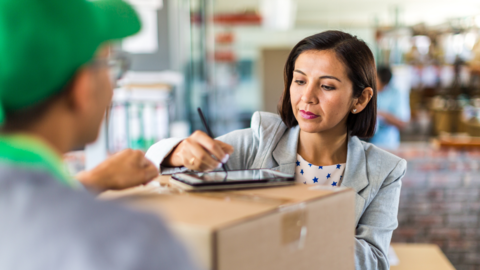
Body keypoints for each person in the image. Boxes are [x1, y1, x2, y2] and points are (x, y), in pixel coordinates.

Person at [147, 31, 407, 270]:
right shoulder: (258, 143)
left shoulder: (384, 170)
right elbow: (156, 165)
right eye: (300, 81)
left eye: (326, 86)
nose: (307, 96)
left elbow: (374, 260)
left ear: (360, 99)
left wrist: (287, 229)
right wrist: (179, 152)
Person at [0, 0, 198, 269]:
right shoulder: (129, 244)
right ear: (81, 88)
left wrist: (94, 180)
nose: (113, 82)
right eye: (109, 65)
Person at [369, 66, 410, 149]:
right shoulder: (370, 92)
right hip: (368, 143)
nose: (371, 81)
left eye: (375, 79)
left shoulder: (397, 94)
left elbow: (402, 123)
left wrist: (380, 114)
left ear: (384, 81)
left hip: (388, 145)